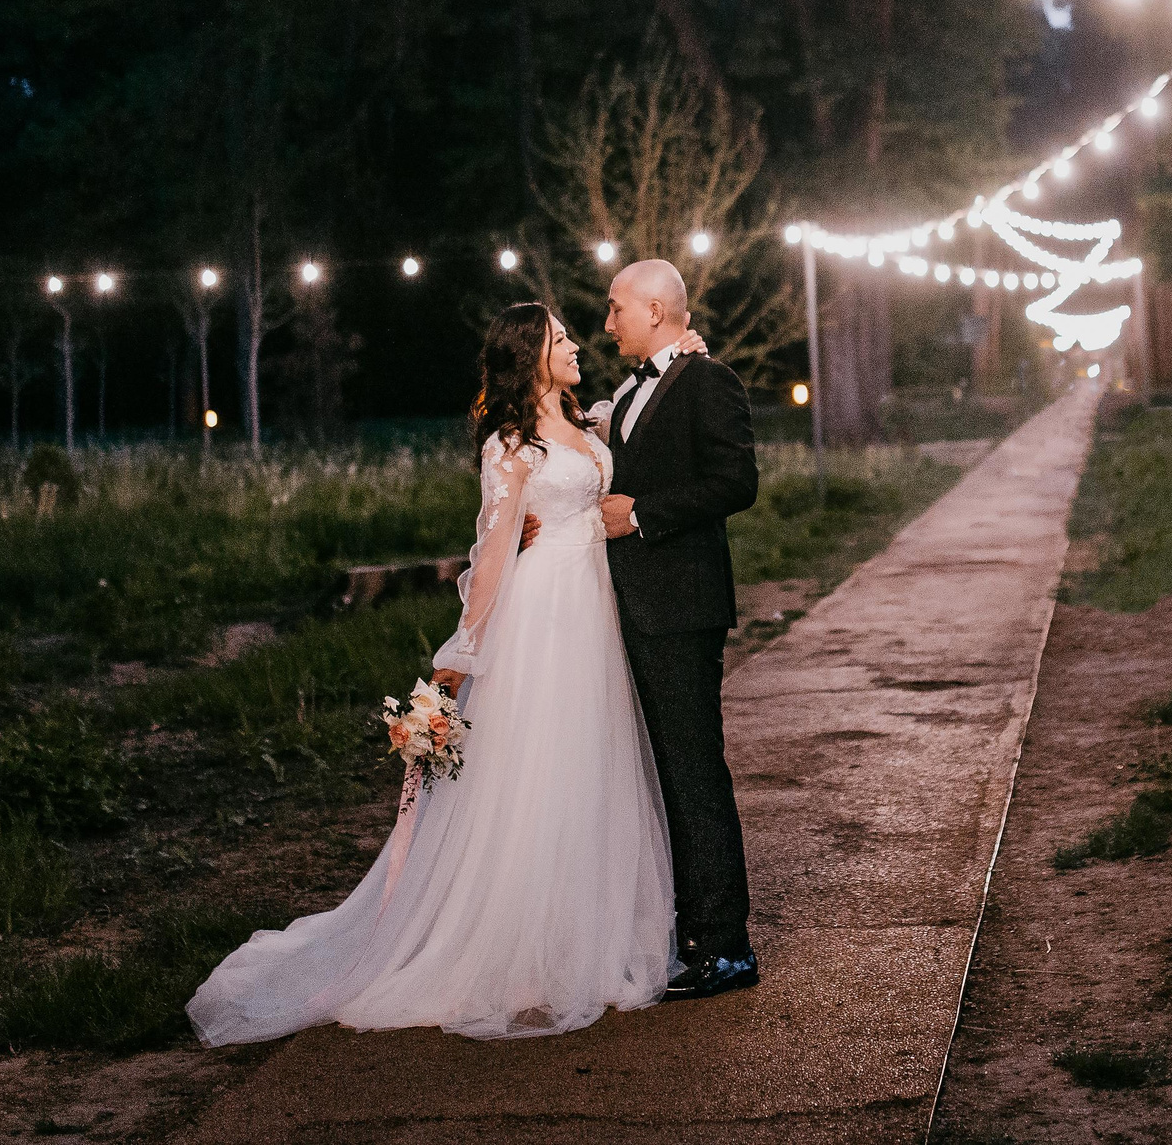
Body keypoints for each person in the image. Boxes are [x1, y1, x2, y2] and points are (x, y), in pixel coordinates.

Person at [186, 304, 675, 1043]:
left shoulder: (588, 423)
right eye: (561, 338)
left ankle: (580, 935)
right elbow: (488, 560)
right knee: (532, 775)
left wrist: (679, 350)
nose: (577, 344)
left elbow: (637, 408)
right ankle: (516, 952)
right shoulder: (512, 447)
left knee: (589, 767)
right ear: (530, 354)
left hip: (596, 612)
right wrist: (455, 659)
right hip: (542, 621)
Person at [597, 258, 762, 1000]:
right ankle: (684, 931)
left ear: (658, 309)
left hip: (682, 609)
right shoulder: (629, 391)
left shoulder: (708, 380)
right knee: (662, 776)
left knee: (695, 773)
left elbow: (737, 482)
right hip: (631, 610)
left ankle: (726, 946)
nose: (608, 322)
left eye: (616, 308)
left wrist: (641, 513)